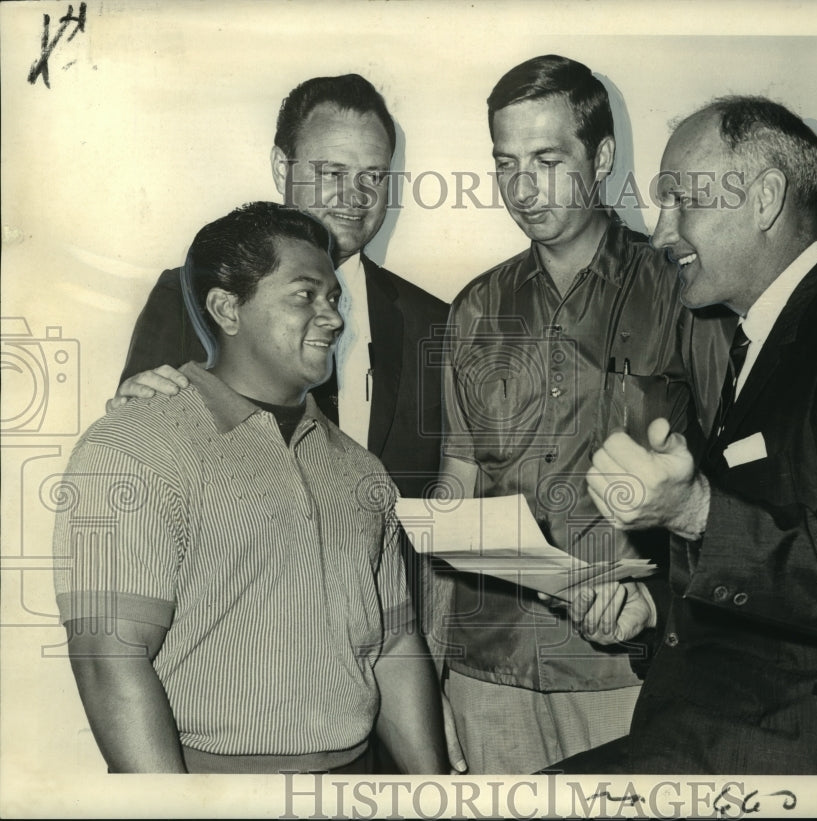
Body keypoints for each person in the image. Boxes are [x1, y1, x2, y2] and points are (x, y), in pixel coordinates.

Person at [551, 96, 817, 774]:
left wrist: (695, 511)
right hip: (722, 735)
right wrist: (650, 608)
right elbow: (783, 555)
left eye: (682, 200)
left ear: (765, 199)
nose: (661, 232)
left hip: (800, 753)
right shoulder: (760, 342)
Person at [52, 202, 448, 774]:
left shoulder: (360, 471)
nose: (332, 317)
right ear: (226, 308)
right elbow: (109, 659)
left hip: (356, 780)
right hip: (210, 786)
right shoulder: (134, 447)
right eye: (304, 295)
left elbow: (393, 645)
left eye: (333, 298)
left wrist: (430, 796)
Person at [433, 55, 727, 774]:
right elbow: (458, 488)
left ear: (599, 157)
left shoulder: (683, 290)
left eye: (546, 158)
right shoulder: (475, 307)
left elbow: (733, 487)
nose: (522, 187)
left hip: (625, 675)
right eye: (505, 162)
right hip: (486, 675)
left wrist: (655, 596)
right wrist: (430, 670)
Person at [117, 75, 448, 499]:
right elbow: (141, 462)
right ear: (281, 168)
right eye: (333, 172)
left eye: (374, 177)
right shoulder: (189, 295)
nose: (356, 196)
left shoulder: (438, 323)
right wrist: (132, 413)